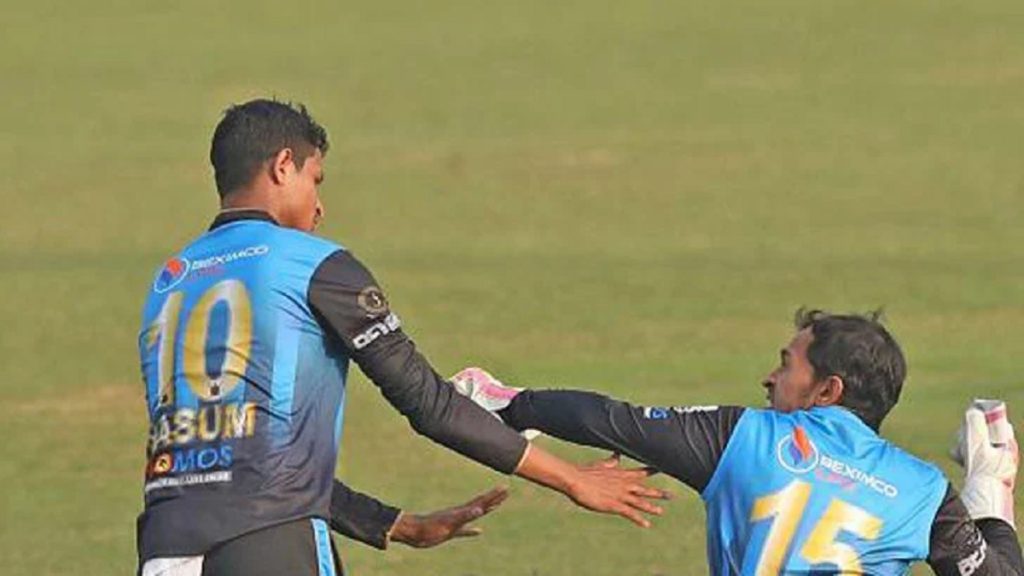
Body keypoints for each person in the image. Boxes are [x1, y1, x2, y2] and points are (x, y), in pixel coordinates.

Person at [136, 99, 668, 576]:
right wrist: (572, 478)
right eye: (316, 180)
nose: (320, 207)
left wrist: (392, 524)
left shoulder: (171, 283)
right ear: (282, 166)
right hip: (271, 542)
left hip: (166, 548)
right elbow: (428, 402)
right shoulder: (313, 263)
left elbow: (237, 463)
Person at [452, 309, 1023, 575]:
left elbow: (609, 420)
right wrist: (990, 492)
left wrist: (506, 402)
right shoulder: (924, 492)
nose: (769, 379)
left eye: (786, 364)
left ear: (827, 390)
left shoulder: (742, 437)